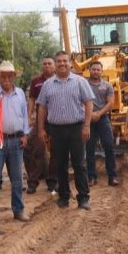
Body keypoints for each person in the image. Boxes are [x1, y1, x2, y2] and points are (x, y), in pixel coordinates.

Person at [36, 51, 94, 210]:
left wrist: (87, 126)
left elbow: (89, 104)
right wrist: (41, 129)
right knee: (59, 164)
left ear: (70, 63)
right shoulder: (48, 85)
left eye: (64, 61)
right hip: (56, 130)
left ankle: (83, 198)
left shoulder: (80, 82)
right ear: (55, 65)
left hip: (76, 128)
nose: (62, 64)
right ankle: (63, 197)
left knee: (79, 164)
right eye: (59, 61)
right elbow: (42, 108)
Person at [0, 61, 30, 224]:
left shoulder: (21, 93)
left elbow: (24, 116)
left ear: (14, 77)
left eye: (10, 76)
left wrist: (25, 134)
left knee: (17, 178)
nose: (6, 79)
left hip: (16, 139)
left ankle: (18, 210)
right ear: (0, 77)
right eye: (3, 76)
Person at [23, 56, 56, 194]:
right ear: (41, 66)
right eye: (44, 64)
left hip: (56, 122)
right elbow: (31, 99)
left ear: (54, 66)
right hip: (40, 121)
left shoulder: (59, 80)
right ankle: (33, 183)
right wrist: (29, 115)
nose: (47, 66)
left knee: (55, 152)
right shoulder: (36, 82)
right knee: (38, 150)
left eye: (49, 63)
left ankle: (52, 182)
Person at [85, 61, 119, 187]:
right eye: (93, 69)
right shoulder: (83, 84)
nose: (96, 71)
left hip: (103, 119)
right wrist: (90, 114)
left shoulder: (108, 85)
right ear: (89, 70)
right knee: (89, 148)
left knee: (109, 146)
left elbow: (110, 103)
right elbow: (79, 100)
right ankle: (91, 177)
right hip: (88, 119)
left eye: (98, 70)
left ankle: (112, 176)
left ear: (101, 71)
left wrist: (99, 113)